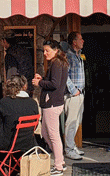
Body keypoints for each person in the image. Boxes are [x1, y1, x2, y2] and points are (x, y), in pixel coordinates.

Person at [32, 40, 68, 176]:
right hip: (52, 103)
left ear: (56, 50)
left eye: (47, 50)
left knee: (52, 135)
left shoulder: (57, 63)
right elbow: (54, 81)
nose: (45, 53)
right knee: (47, 134)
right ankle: (60, 161)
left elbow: (54, 84)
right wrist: (43, 79)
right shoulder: (58, 63)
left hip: (52, 103)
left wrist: (40, 82)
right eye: (44, 50)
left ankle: (59, 165)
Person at [0, 75, 39, 168]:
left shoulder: (5, 102)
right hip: (28, 143)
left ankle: (5, 169)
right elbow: (36, 126)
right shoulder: (33, 103)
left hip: (9, 144)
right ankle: (12, 168)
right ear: (25, 86)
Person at [64, 32, 86, 160]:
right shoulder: (68, 56)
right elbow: (65, 75)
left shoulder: (78, 55)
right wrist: (73, 90)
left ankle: (71, 145)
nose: (83, 41)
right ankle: (69, 149)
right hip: (73, 95)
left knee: (77, 121)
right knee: (71, 122)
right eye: (80, 39)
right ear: (74, 42)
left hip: (80, 93)